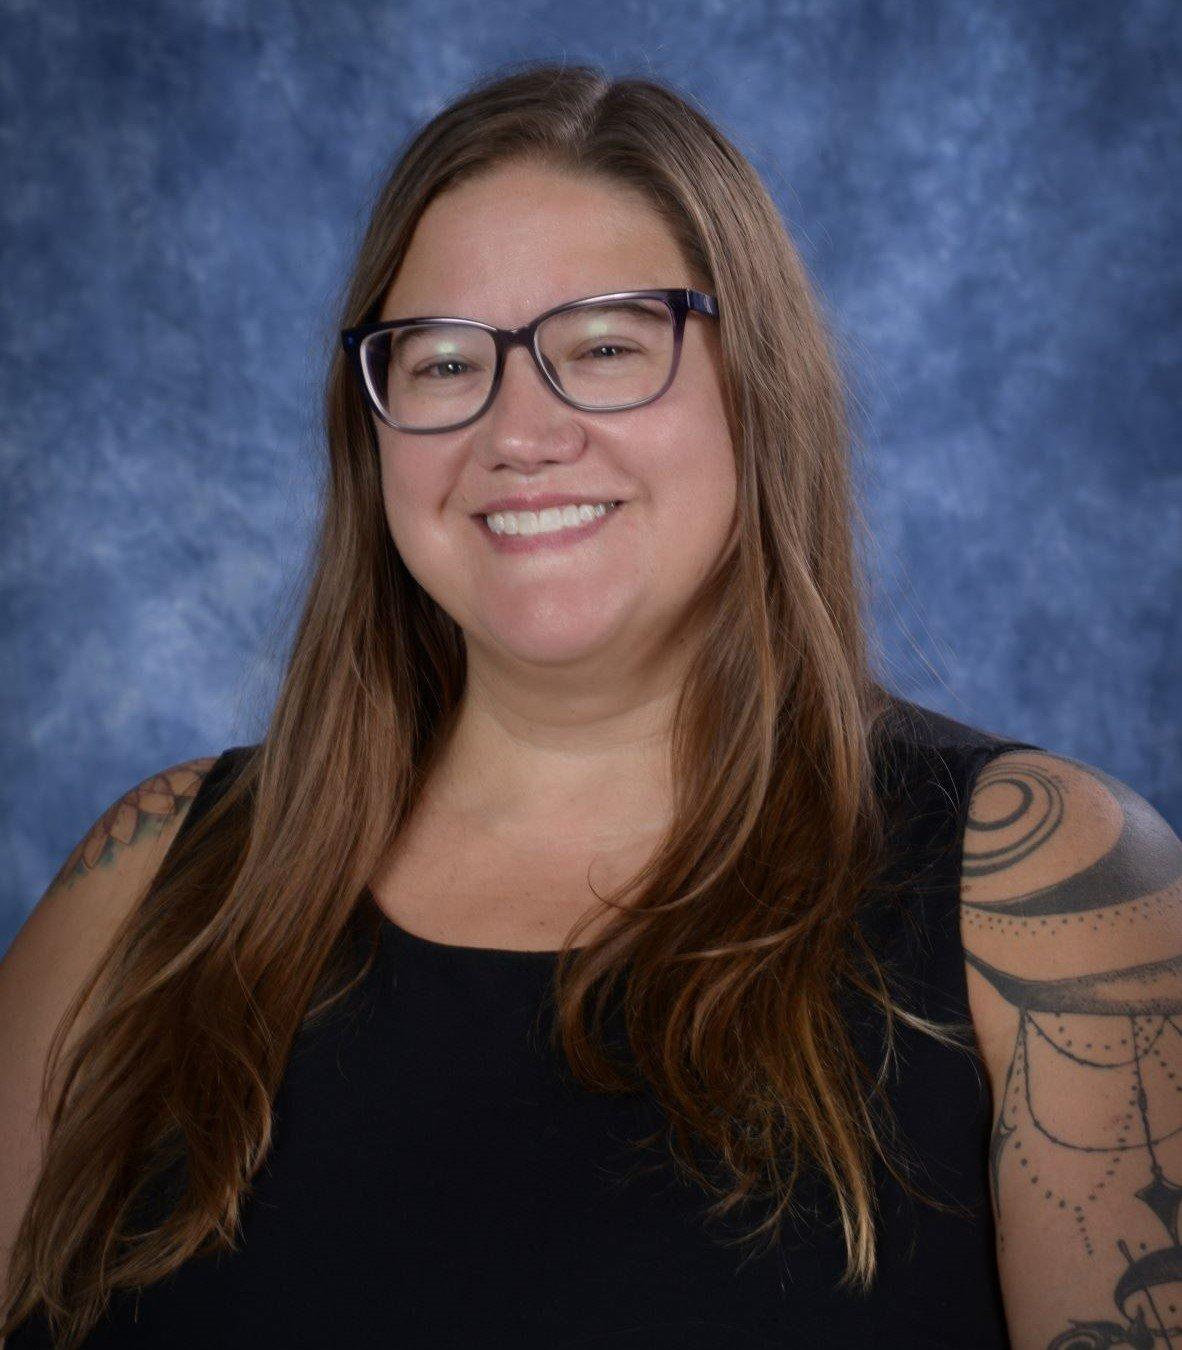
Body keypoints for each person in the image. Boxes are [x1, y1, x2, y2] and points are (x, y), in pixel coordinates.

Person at [2, 62, 1179, 1350]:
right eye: (445, 363)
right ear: (372, 432)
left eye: (606, 346)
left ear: (757, 384)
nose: (520, 431)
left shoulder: (1052, 897)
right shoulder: (152, 881)